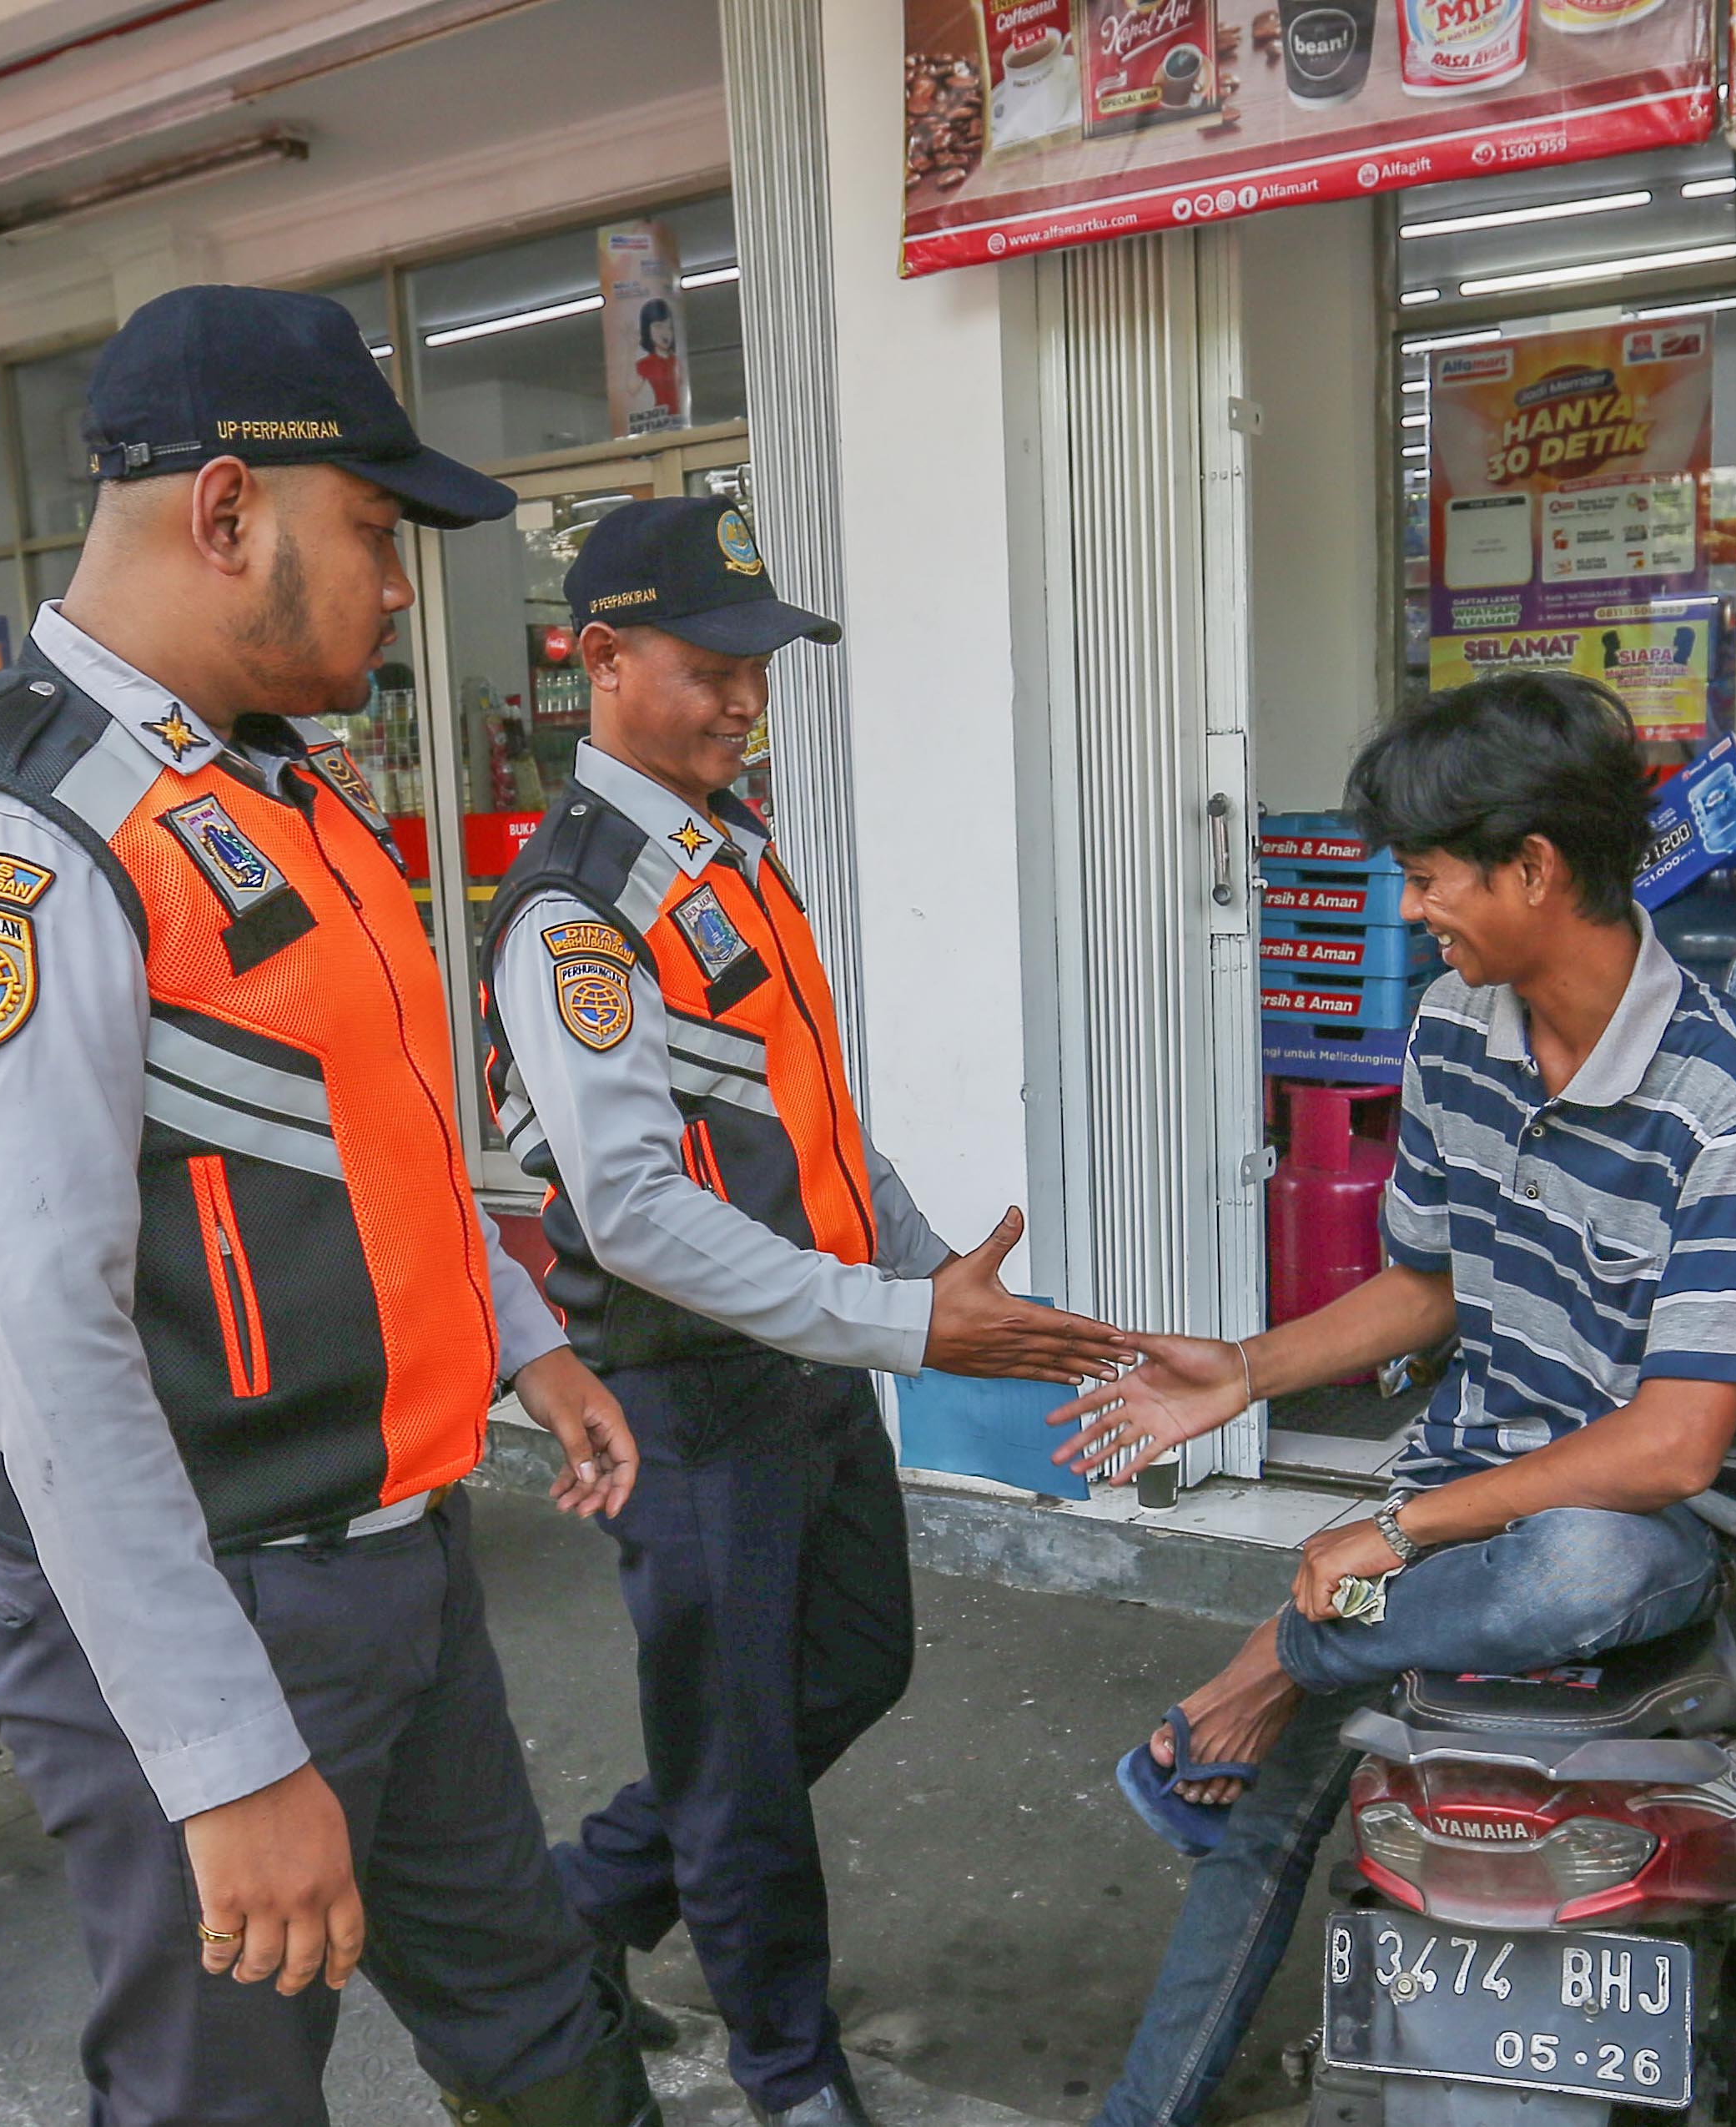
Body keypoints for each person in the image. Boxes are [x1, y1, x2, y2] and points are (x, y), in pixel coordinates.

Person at [0, 285, 662, 2127]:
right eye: (371, 531)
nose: (399, 588)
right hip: (207, 1605)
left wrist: (521, 1341)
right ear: (226, 512)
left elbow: (367, 1135)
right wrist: (221, 1759)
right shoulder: (7, 846)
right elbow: (45, 1340)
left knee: (545, 2036)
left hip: (394, 1559)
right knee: (222, 2100)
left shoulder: (274, 787)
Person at [1051, 673, 1736, 2127]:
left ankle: (1275, 1661)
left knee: (1573, 1561)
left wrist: (1395, 1542)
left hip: (1639, 1534)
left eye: (1427, 878)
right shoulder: (1456, 1031)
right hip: (1470, 1504)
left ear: (1533, 867)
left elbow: (1676, 1448)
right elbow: (1430, 1284)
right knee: (1268, 1825)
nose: (1412, 911)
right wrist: (1246, 1368)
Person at [479, 496, 1135, 2127]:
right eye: (710, 668)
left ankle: (581, 1899)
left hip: (810, 1362)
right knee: (739, 1765)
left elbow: (815, 1119)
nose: (746, 699)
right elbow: (631, 1214)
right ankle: (788, 2072)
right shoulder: (577, 910)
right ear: (600, 657)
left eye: (758, 666)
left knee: (850, 1665)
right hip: (689, 1394)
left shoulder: (729, 850)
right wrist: (904, 1324)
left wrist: (931, 1280)